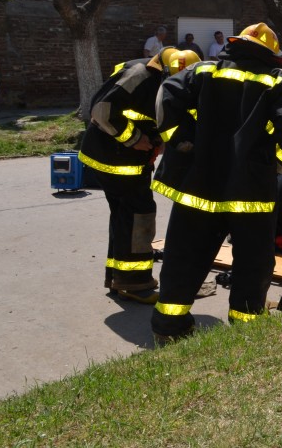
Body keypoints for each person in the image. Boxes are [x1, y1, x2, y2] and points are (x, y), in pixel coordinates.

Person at [150, 22, 282, 345]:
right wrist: (277, 162)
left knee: (185, 255)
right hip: (250, 190)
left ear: (236, 43)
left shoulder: (202, 71)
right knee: (253, 259)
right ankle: (246, 327)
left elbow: (166, 98)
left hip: (199, 185)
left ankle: (169, 327)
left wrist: (182, 144)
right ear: (272, 53)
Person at [79, 47, 201, 304]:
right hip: (114, 158)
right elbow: (101, 111)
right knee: (139, 215)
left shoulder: (164, 79)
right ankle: (135, 283)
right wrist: (135, 139)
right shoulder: (139, 74)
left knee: (124, 215)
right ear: (164, 70)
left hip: (124, 158)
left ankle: (117, 277)